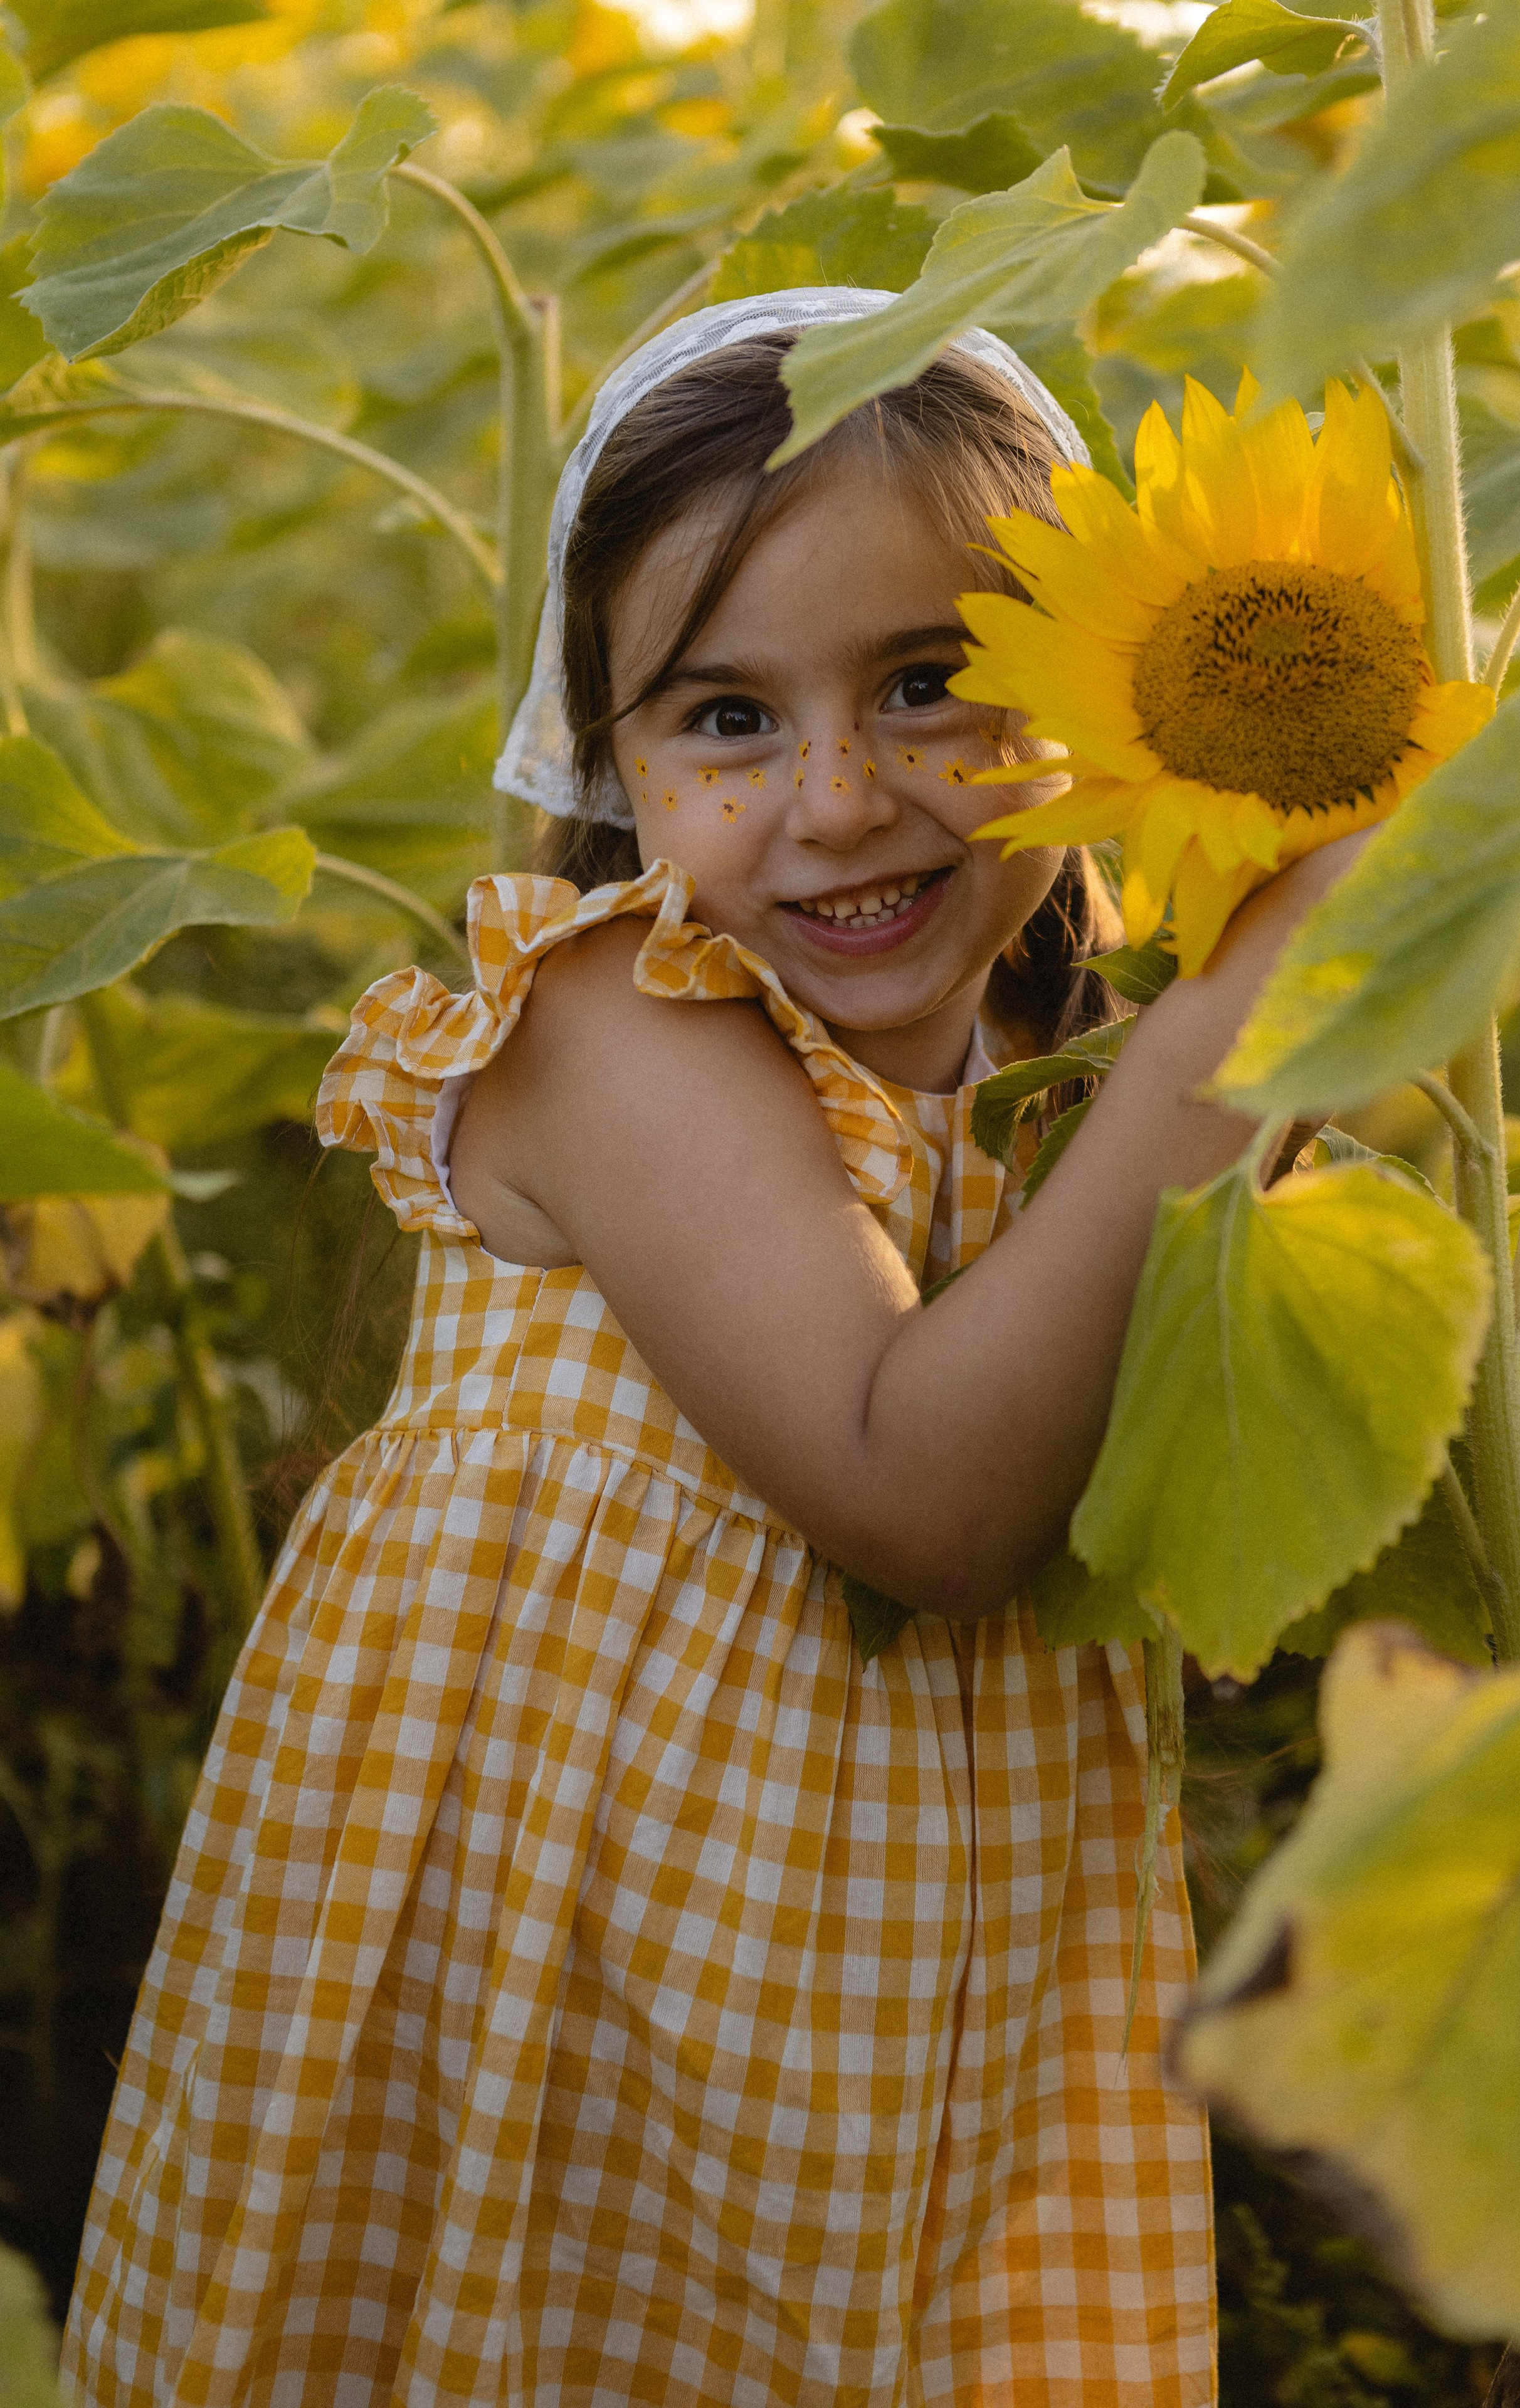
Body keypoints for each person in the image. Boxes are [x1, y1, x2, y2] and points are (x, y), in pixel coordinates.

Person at [63, 292, 1359, 2408]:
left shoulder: (1077, 1054)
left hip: (946, 1958)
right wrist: (1271, 993)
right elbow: (921, 1491)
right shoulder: (612, 1026)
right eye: (726, 721)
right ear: (612, 761)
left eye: (935, 683)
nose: (839, 799)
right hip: (580, 1949)